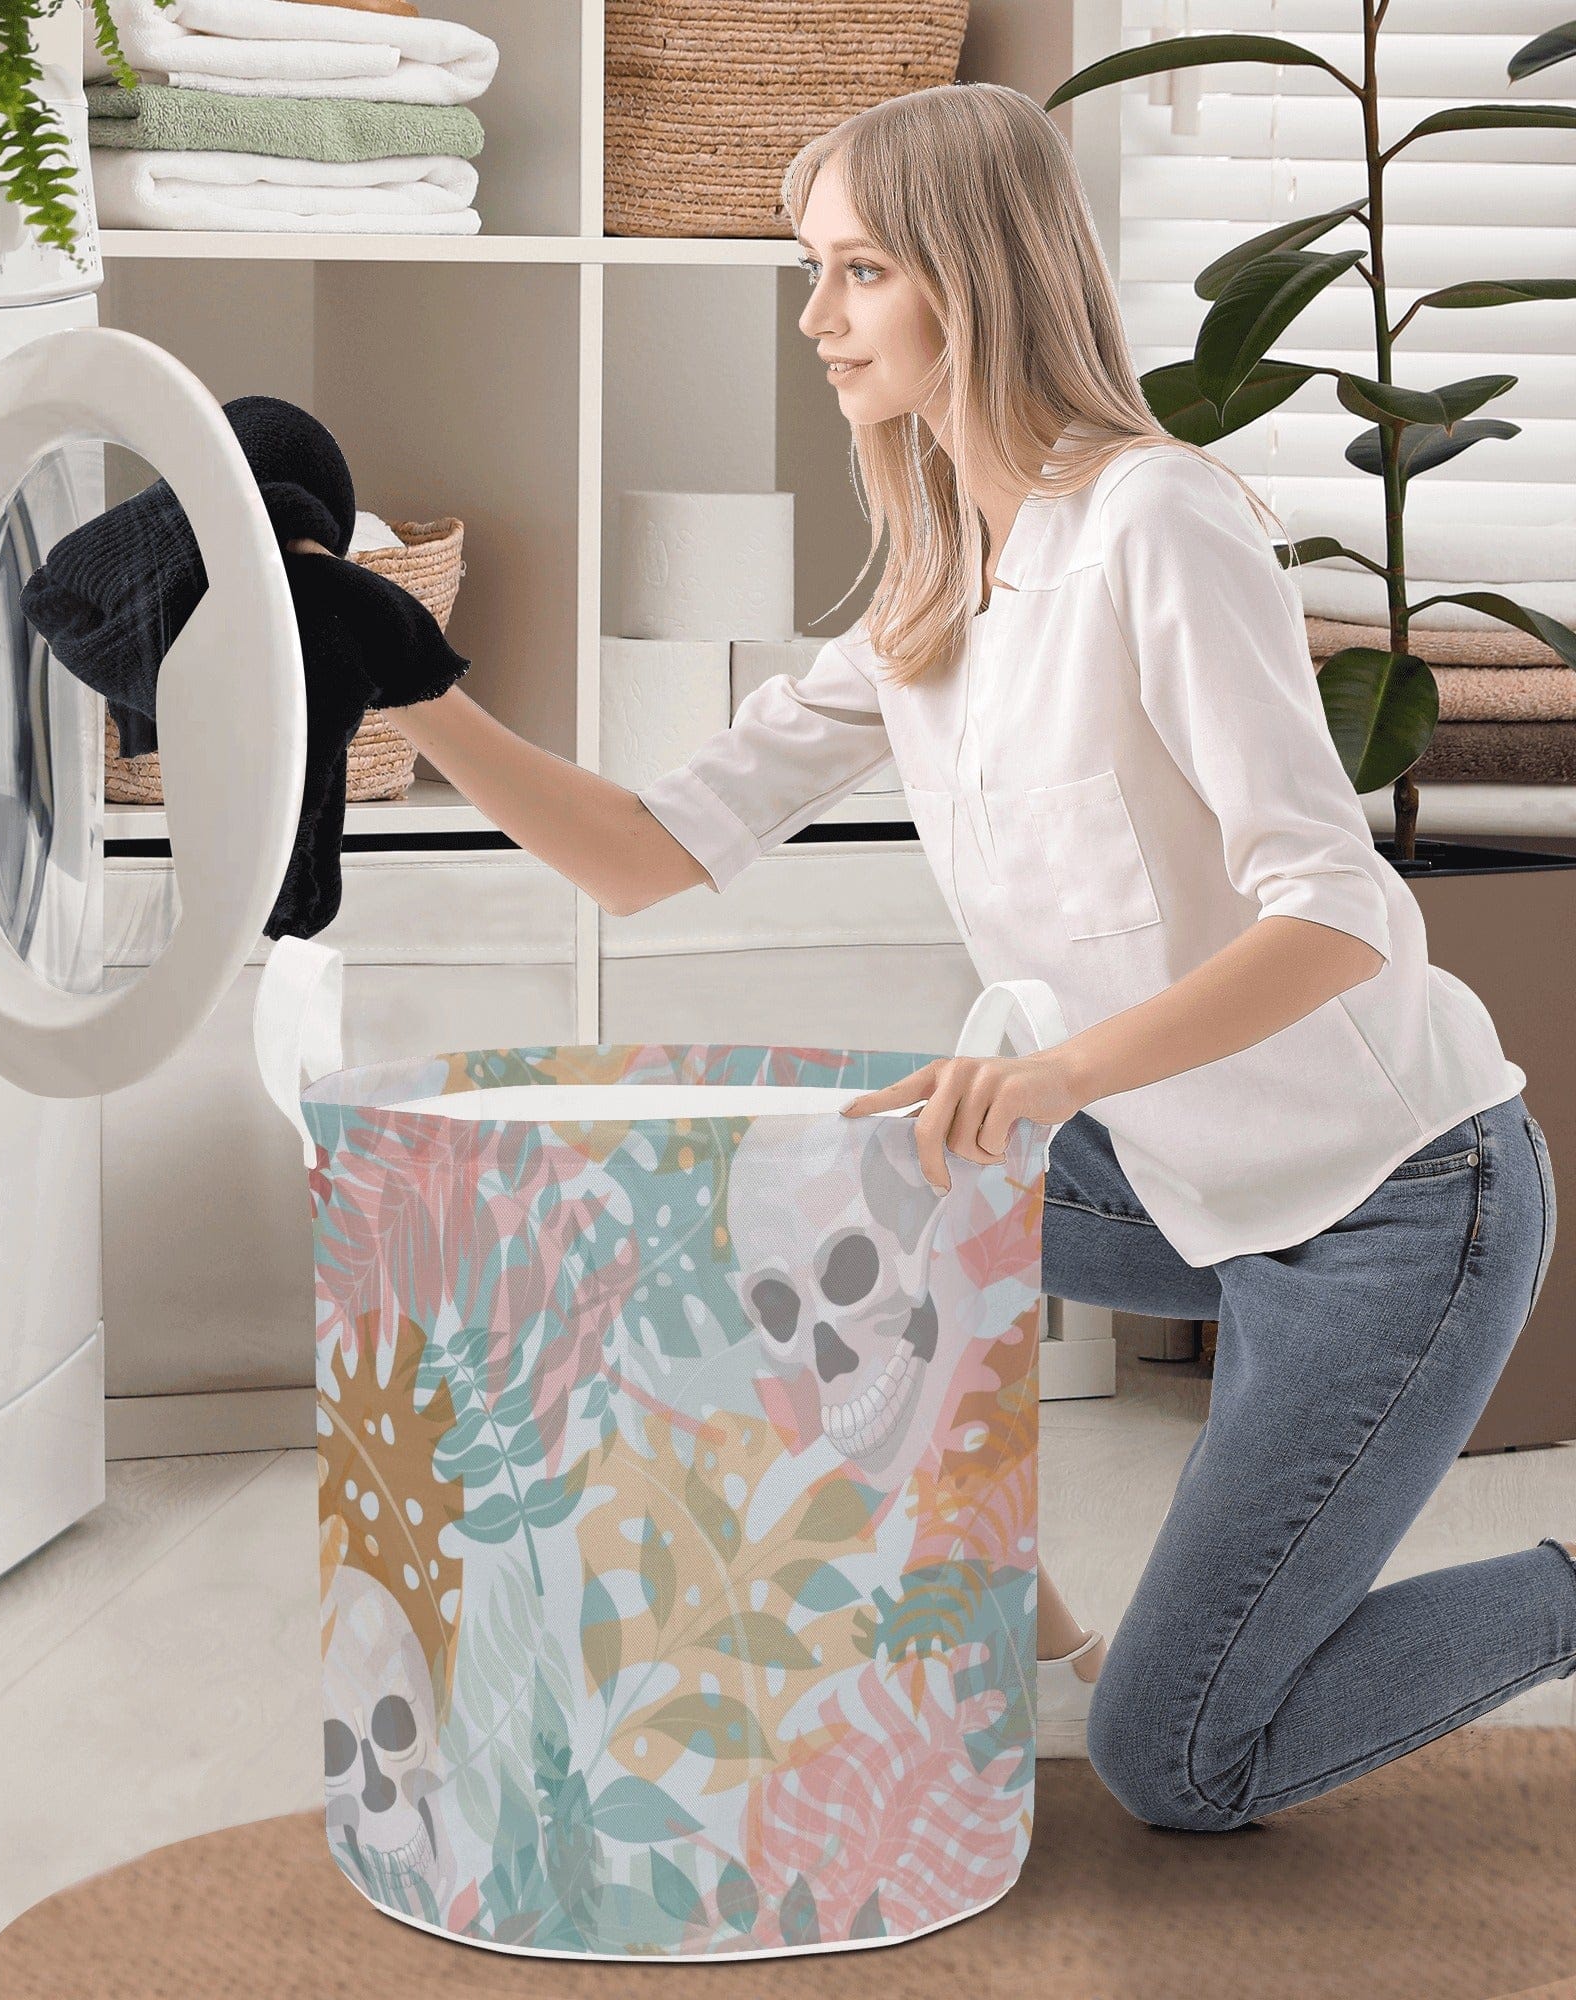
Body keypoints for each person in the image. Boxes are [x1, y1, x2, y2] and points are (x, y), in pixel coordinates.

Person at [369, 82, 1572, 1834]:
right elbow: (641, 855)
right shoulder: (935, 584)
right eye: (812, 269)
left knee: (1181, 1764)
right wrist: (412, 680)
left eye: (860, 271)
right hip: (1183, 1177)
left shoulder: (1158, 525)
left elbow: (1337, 915)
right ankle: (1019, 1612)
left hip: (1395, 1208)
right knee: (798, 1210)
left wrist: (1059, 1076)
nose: (815, 318)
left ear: (977, 278)